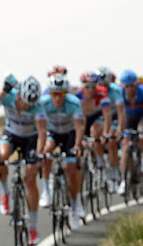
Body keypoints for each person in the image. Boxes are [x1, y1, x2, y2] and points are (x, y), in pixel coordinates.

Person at [0, 74, 44, 245]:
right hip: (12, 134)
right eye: (25, 102)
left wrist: (38, 155)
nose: (27, 107)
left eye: (30, 104)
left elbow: (42, 133)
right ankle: (6, 193)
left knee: (30, 178)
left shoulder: (38, 107)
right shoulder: (8, 97)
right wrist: (3, 92)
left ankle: (33, 227)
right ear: (18, 95)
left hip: (31, 139)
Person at [37, 74, 86, 228]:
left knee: (71, 169)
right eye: (54, 94)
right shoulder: (43, 103)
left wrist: (77, 146)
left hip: (70, 134)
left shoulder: (74, 102)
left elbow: (79, 127)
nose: (58, 98)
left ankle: (75, 205)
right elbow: (40, 129)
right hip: (52, 133)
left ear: (66, 93)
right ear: (49, 93)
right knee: (46, 152)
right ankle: (46, 190)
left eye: (61, 94)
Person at [117, 69, 143, 191]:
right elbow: (121, 114)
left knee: (142, 135)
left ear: (136, 84)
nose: (129, 89)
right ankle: (123, 180)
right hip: (129, 118)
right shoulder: (120, 93)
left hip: (142, 116)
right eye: (126, 86)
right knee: (125, 147)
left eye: (131, 85)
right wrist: (120, 131)